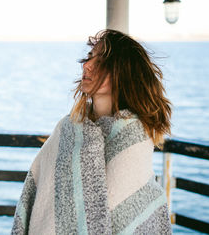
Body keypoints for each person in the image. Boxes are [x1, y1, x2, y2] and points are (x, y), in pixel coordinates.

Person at [11, 29, 173, 235]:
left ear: (122, 72)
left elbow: (127, 211)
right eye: (89, 57)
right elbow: (38, 193)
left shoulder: (134, 137)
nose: (87, 65)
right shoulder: (67, 129)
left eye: (101, 60)